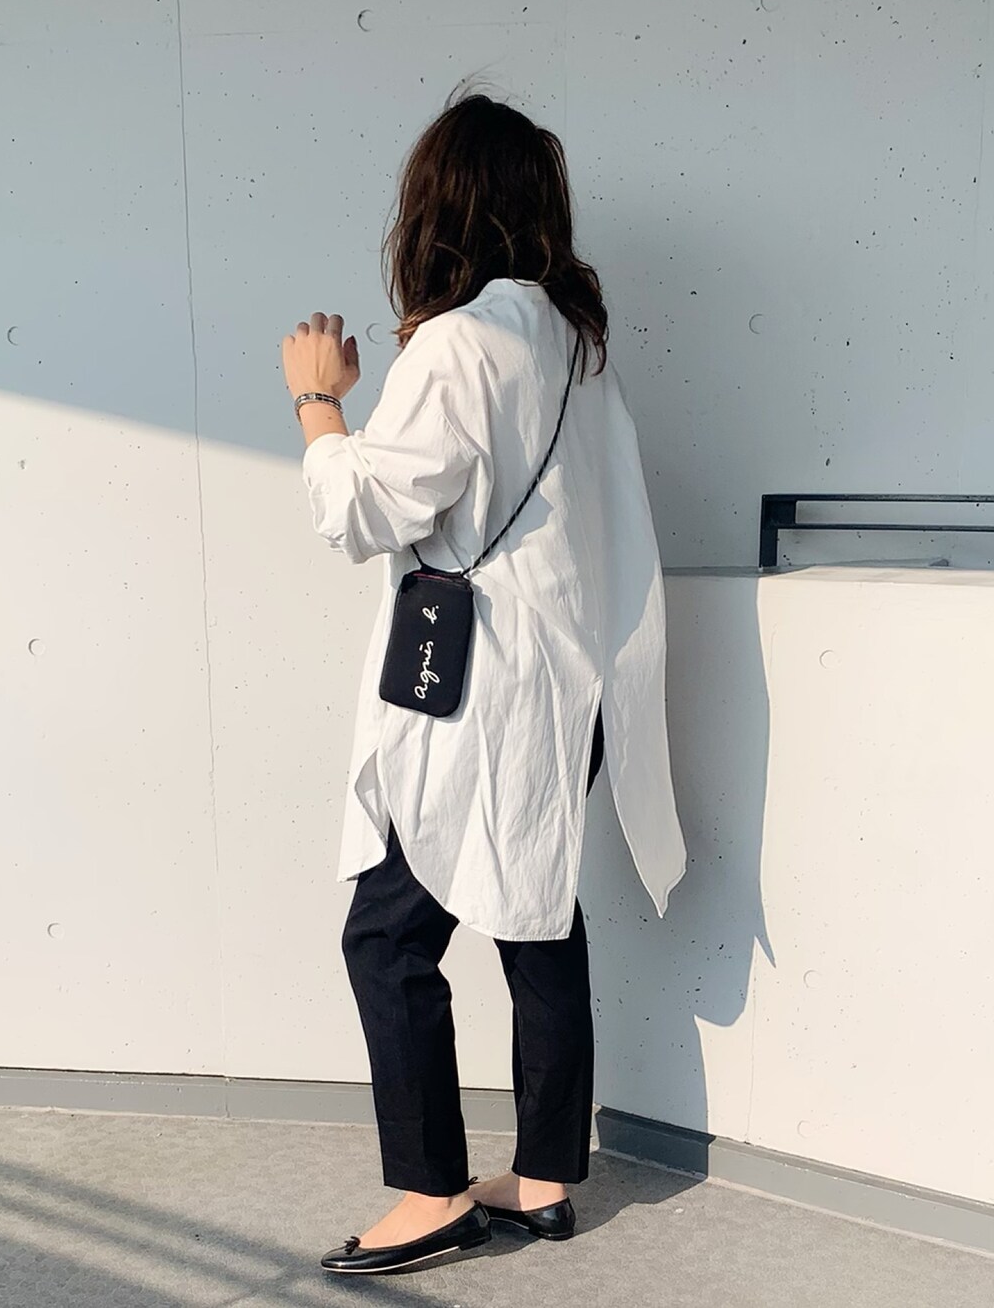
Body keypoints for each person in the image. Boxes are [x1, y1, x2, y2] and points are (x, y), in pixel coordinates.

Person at [281, 85, 687, 1276]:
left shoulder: (459, 343)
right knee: (533, 911)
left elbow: (365, 509)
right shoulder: (576, 344)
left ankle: (431, 1191)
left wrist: (318, 400)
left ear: (436, 204)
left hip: (478, 694)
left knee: (387, 935)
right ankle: (547, 1176)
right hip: (569, 682)